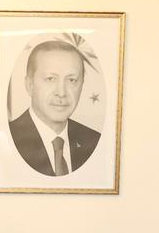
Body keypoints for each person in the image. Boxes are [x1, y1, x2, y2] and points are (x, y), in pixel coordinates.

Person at [8, 39, 101, 176]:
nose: (61, 93)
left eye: (72, 80)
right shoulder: (8, 140)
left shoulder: (95, 141)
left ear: (82, 85)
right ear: (29, 85)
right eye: (50, 79)